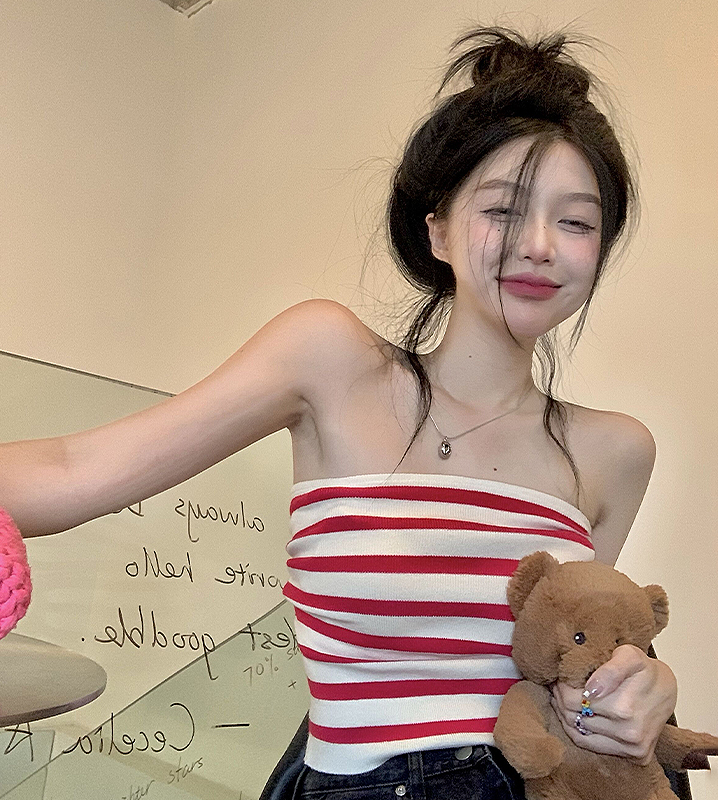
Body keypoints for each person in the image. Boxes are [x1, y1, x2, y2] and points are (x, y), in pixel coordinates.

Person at [1, 27, 679, 800]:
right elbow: (75, 468)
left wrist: (642, 691)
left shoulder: (616, 451)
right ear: (437, 229)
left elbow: (574, 665)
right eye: (502, 210)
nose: (539, 245)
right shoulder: (330, 360)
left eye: (577, 222)